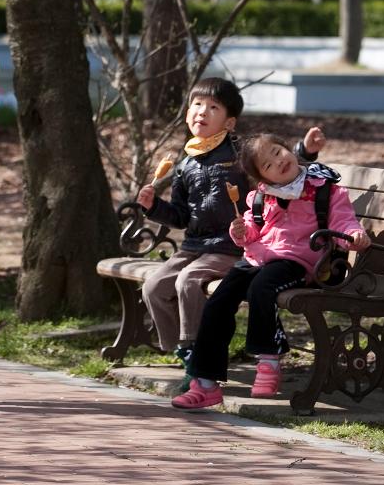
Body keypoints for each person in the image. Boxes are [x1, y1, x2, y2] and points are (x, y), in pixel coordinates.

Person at [172, 131, 371, 410]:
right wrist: (240, 232)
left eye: (278, 152)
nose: (278, 162)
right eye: (268, 165)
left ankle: (268, 361)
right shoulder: (261, 197)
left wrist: (354, 235)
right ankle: (205, 383)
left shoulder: (325, 189)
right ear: (263, 179)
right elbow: (253, 233)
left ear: (288, 149)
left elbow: (343, 222)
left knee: (261, 288)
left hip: (300, 262)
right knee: (218, 301)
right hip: (258, 257)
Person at [137, 78, 325, 367]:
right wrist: (153, 208)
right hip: (194, 246)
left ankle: (197, 350)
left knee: (189, 281)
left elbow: (277, 166)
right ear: (187, 114)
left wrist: (306, 151)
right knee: (154, 285)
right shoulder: (185, 162)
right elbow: (180, 215)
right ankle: (182, 347)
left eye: (213, 107)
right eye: (197, 104)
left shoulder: (239, 155)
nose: (202, 111)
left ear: (229, 123)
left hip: (232, 247)